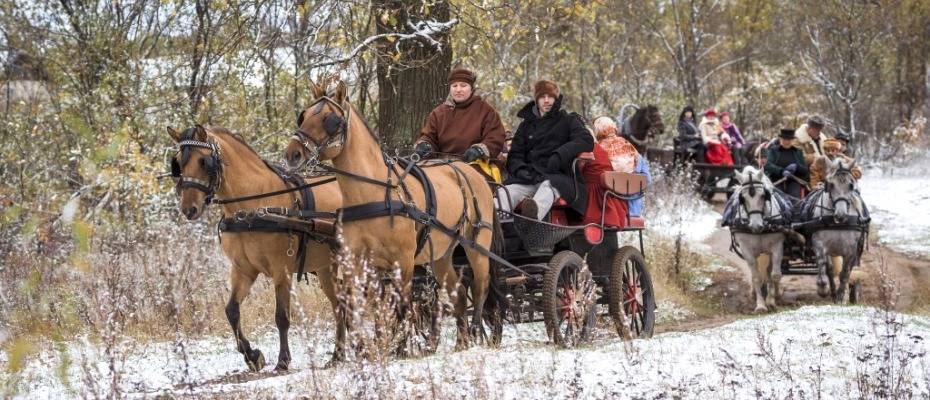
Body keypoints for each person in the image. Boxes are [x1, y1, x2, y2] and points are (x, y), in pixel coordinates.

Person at [499, 79, 594, 220]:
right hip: (529, 177)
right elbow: (515, 154)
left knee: (547, 188)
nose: (547, 101)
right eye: (542, 97)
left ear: (556, 99)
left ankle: (532, 219)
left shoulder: (567, 120)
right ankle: (497, 225)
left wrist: (559, 155)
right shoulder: (526, 125)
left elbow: (586, 140)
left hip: (558, 176)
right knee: (506, 192)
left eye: (550, 97)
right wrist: (519, 169)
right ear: (537, 100)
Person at [414, 67, 506, 165]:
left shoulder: (486, 111)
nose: (458, 90)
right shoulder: (439, 113)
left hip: (475, 164)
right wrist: (424, 145)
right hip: (442, 164)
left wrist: (479, 150)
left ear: (471, 88)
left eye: (463, 85)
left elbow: (495, 137)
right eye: (454, 86)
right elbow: (429, 137)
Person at [593, 116, 651, 217]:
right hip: (634, 210)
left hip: (611, 211)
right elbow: (647, 179)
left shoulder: (598, 151)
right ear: (613, 127)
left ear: (597, 131)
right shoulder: (629, 146)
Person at [764, 128, 809, 198]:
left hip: (793, 181)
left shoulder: (798, 151)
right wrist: (781, 171)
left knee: (794, 200)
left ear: (793, 140)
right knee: (779, 199)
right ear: (780, 139)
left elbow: (805, 170)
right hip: (776, 180)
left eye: (789, 139)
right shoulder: (773, 150)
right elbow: (768, 165)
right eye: (784, 139)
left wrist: (797, 166)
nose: (787, 142)